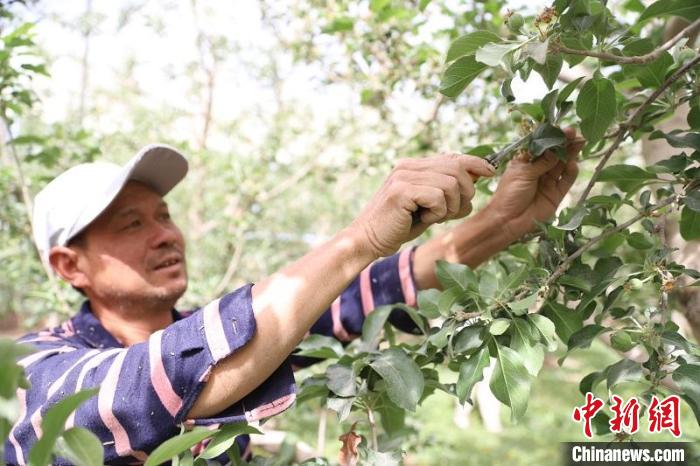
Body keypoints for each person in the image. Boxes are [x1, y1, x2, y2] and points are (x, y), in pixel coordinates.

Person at [5, 131, 581, 465]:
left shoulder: (225, 336)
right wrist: (358, 239)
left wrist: (502, 222)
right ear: (68, 265)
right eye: (131, 224)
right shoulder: (35, 371)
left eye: (165, 216)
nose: (164, 234)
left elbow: (365, 294)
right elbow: (143, 386)